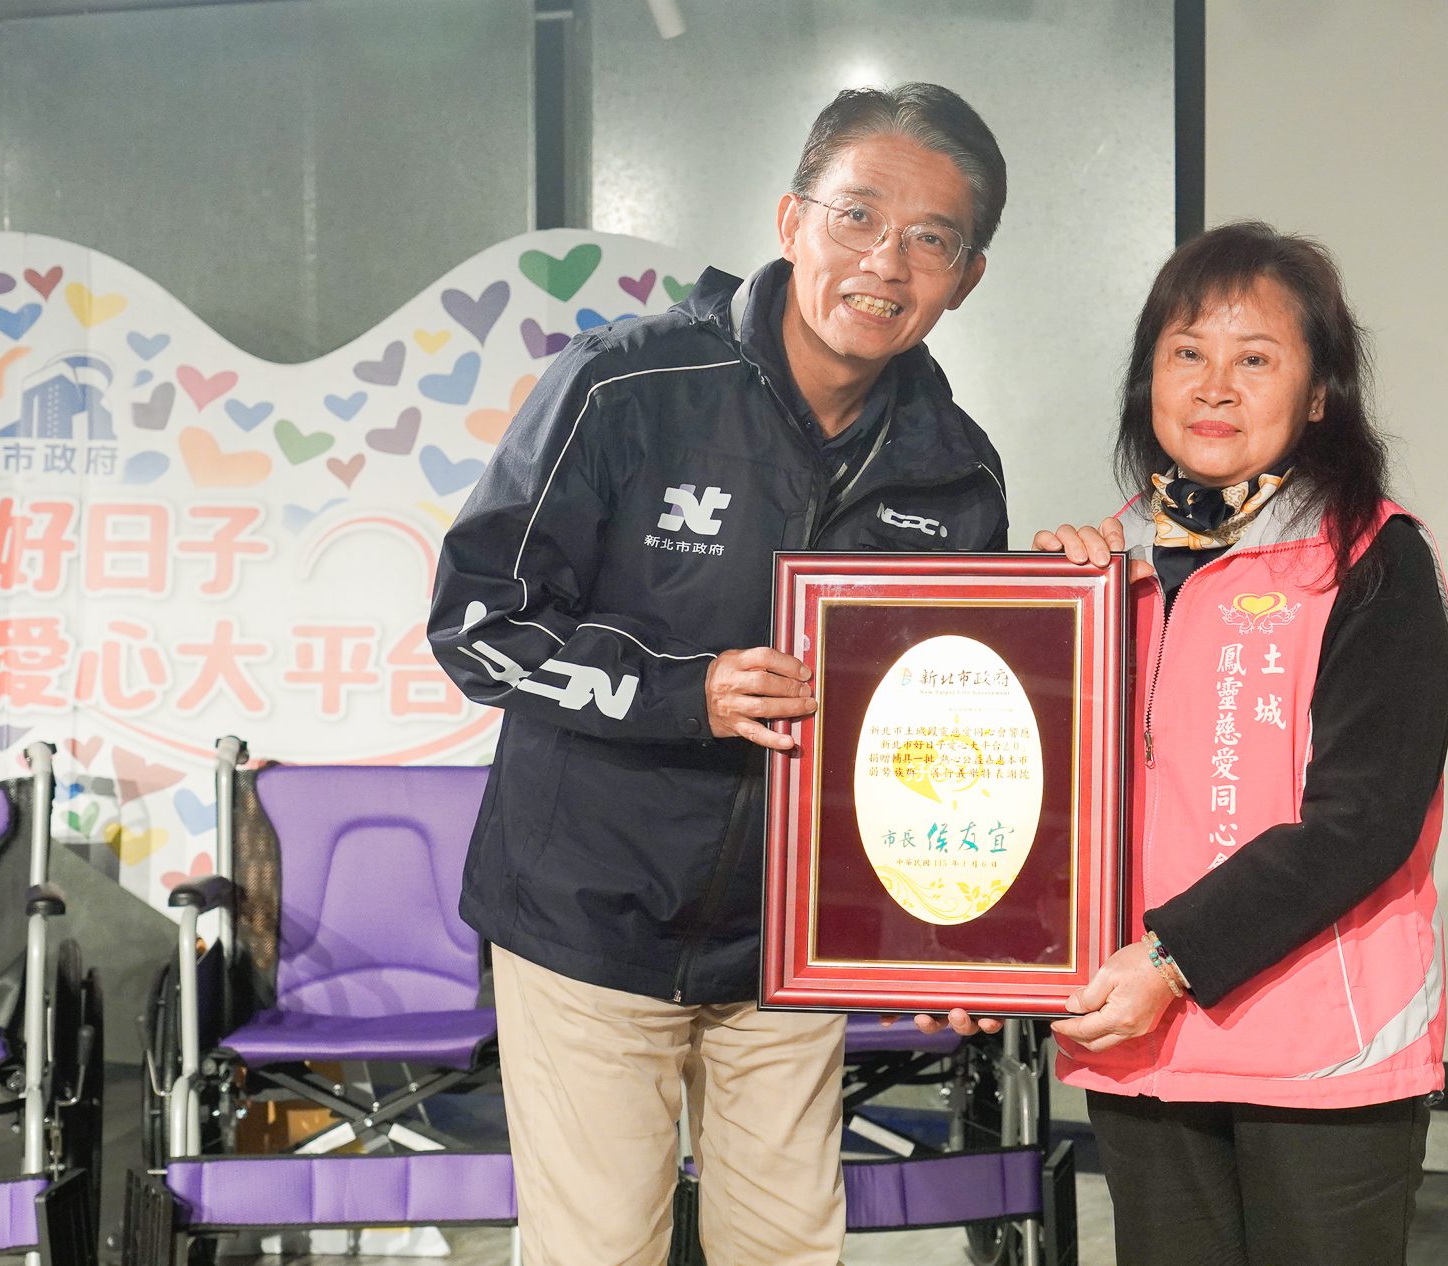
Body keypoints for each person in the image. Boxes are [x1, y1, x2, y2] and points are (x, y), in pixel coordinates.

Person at [428, 84, 1011, 1266]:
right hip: (586, 922)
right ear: (791, 220)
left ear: (966, 277)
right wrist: (683, 692)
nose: (884, 262)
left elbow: (956, 736)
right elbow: (479, 623)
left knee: (787, 1250)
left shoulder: (954, 473)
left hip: (790, 943)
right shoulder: (626, 386)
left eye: (929, 239)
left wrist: (958, 931)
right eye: (856, 216)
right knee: (601, 1252)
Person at [931, 221, 1448, 1264]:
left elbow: (1363, 822)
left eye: (1254, 359)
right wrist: (989, 950)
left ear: (1319, 394)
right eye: (1187, 353)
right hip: (1143, 1044)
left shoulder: (1373, 559)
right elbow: (1039, 803)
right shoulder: (1101, 575)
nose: (1215, 387)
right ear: (1150, 381)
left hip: (1319, 1052)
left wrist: (1171, 960)